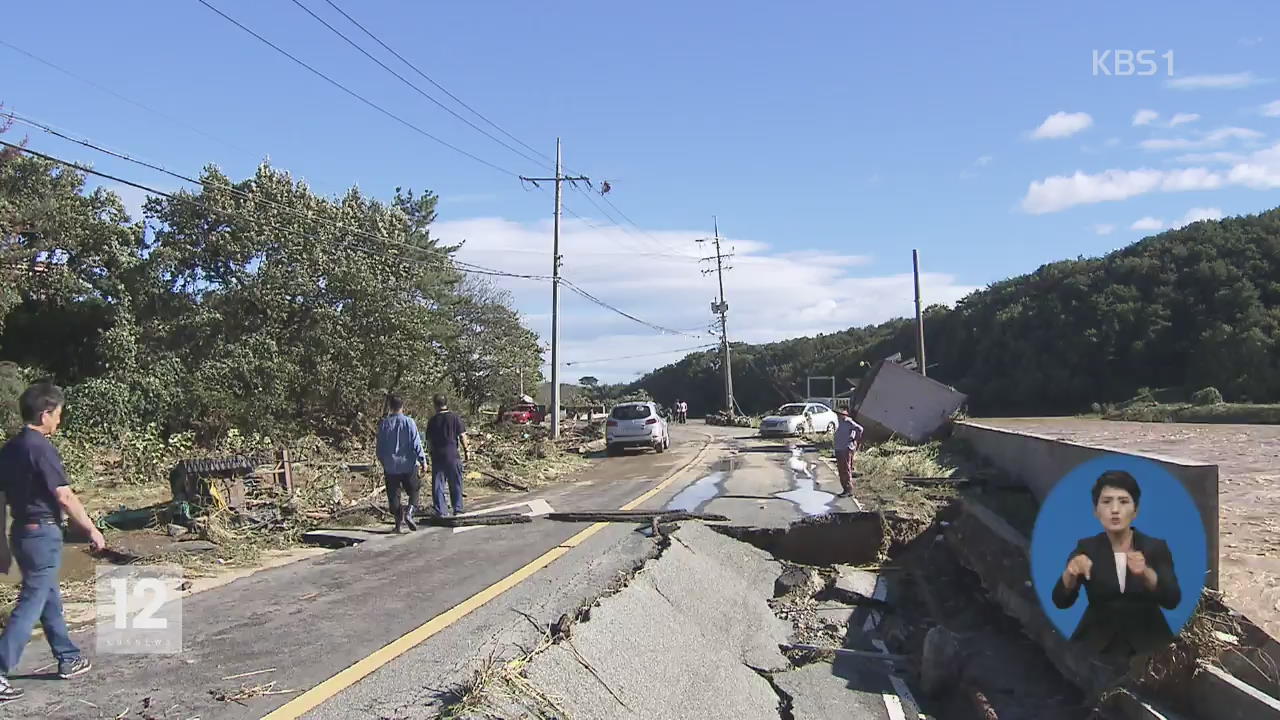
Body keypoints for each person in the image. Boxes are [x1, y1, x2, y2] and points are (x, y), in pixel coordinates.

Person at [0, 383, 104, 703]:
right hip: (42, 532)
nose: (59, 421)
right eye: (57, 415)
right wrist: (91, 530)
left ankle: (68, 657)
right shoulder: (40, 448)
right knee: (32, 601)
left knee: (47, 596)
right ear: (45, 413)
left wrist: (2, 546)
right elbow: (64, 495)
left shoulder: (10, 449)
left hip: (20, 532)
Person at [1052, 470, 1181, 659]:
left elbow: (1172, 599)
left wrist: (1146, 573)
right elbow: (1060, 601)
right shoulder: (1086, 547)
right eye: (1106, 502)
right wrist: (1070, 573)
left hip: (1148, 641)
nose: (1114, 510)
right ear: (1096, 511)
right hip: (1098, 642)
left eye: (1123, 501)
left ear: (1135, 510)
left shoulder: (1155, 547)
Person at [375, 394, 427, 533]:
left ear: (390, 407)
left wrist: (383, 461)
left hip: (391, 466)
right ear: (403, 406)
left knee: (394, 496)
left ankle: (398, 525)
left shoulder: (384, 424)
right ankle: (410, 512)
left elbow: (379, 448)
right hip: (408, 465)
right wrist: (423, 461)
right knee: (414, 490)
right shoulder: (409, 422)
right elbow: (416, 443)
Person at [426, 394, 470, 516]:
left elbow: (429, 441)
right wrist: (467, 451)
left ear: (435, 404)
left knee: (438, 485)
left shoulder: (432, 421)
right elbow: (462, 436)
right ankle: (458, 508)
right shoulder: (454, 418)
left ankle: (441, 510)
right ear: (446, 403)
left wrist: (430, 455)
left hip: (438, 455)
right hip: (452, 455)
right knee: (455, 482)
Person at [831, 409, 863, 498]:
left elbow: (860, 429)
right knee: (841, 470)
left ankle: (848, 489)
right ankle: (845, 489)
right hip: (839, 448)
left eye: (840, 414)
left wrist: (854, 440)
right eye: (837, 414)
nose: (838, 416)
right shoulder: (840, 422)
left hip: (845, 448)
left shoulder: (848, 422)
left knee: (846, 469)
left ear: (844, 415)